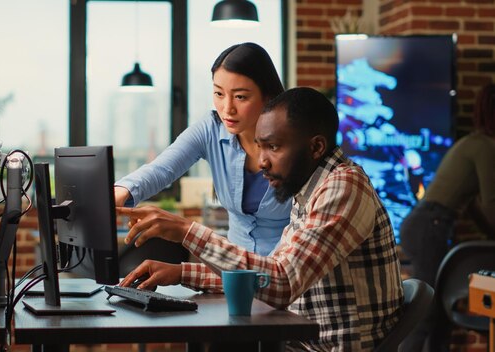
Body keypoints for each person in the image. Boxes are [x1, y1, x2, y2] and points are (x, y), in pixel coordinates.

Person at [118, 87, 404, 351]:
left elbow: (282, 284)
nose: (261, 161)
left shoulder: (343, 188)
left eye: (274, 147)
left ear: (316, 147)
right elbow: (267, 275)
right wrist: (181, 273)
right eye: (259, 147)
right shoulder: (309, 189)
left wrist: (185, 231)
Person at [114, 42, 290, 256]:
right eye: (218, 94)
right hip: (237, 274)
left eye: (240, 96)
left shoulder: (295, 141)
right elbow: (161, 169)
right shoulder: (211, 129)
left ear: (268, 96)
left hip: (289, 273)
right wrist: (122, 191)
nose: (227, 108)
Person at [399, 83, 495, 352]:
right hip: (431, 225)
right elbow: (490, 204)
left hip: (425, 224)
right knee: (425, 314)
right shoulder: (485, 147)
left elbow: (476, 208)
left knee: (438, 317)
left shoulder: (472, 144)